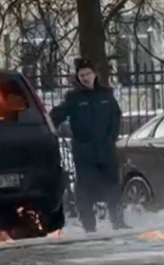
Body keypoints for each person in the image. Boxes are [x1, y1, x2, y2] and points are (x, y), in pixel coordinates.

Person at [51, 58, 129, 233]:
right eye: (81, 75)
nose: (85, 78)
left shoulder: (106, 95)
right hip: (84, 152)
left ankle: (118, 221)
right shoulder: (74, 98)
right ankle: (89, 226)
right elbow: (56, 116)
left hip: (106, 150)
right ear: (77, 78)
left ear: (95, 74)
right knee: (85, 192)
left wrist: (112, 137)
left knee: (112, 188)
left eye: (88, 74)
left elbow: (116, 116)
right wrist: (48, 129)